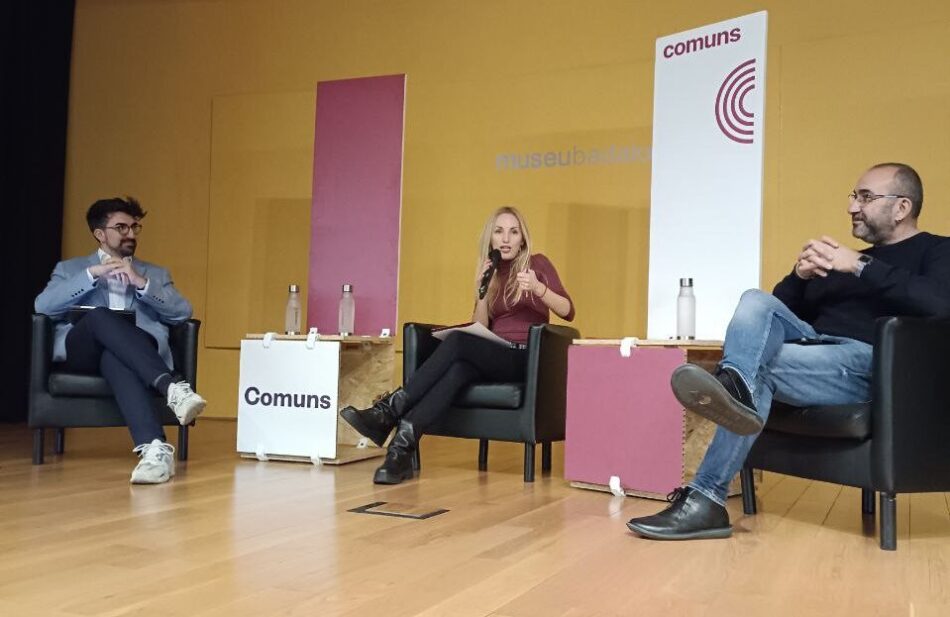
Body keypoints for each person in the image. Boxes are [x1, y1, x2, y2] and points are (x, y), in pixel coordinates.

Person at [627, 162, 950, 540]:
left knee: (755, 370)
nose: (852, 206)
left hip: (864, 365)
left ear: (901, 207)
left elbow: (939, 303)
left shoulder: (935, 251)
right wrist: (799, 277)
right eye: (853, 196)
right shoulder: (839, 262)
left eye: (865, 197)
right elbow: (774, 317)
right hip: (809, 352)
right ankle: (735, 393)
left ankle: (707, 494)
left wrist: (861, 265)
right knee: (755, 302)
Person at [341, 206, 575, 484]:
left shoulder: (538, 264)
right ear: (491, 239)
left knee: (459, 341)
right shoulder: (491, 272)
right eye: (499, 231)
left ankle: (389, 410)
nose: (506, 239)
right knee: (459, 370)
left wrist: (539, 289)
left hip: (526, 358)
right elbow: (480, 325)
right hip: (494, 354)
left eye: (514, 232)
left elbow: (568, 310)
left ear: (522, 238)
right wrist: (481, 292)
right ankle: (400, 450)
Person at [35, 197, 207, 484]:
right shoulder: (70, 269)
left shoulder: (154, 273)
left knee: (115, 356)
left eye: (134, 227)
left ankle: (154, 452)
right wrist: (92, 275)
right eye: (121, 227)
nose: (130, 233)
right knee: (100, 317)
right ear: (99, 234)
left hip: (136, 352)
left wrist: (141, 283)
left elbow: (182, 313)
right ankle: (171, 387)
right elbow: (43, 306)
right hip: (82, 352)